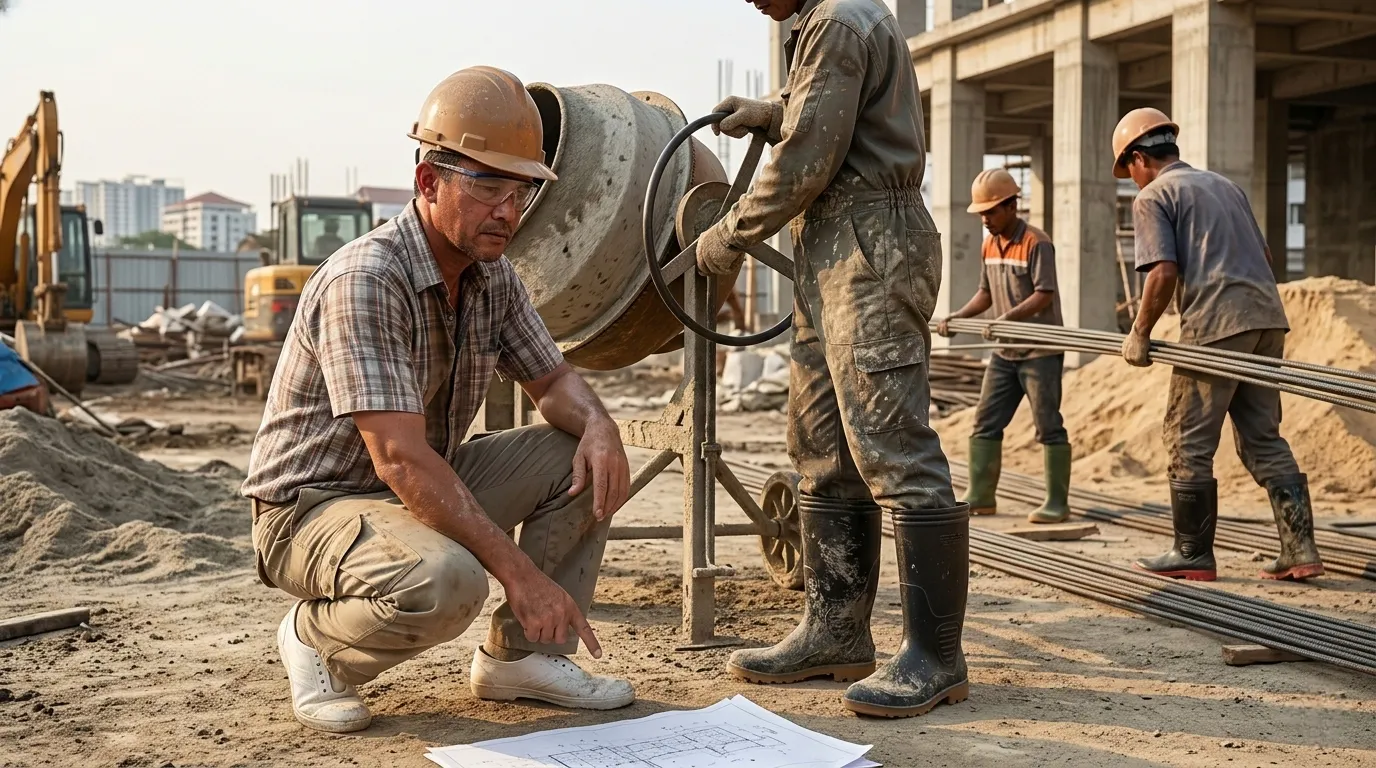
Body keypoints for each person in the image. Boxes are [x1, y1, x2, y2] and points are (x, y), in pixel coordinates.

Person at [241, 66, 635, 733]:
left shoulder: (492, 275)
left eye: (519, 191)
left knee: (581, 452)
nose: (507, 212)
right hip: (312, 509)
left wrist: (598, 423)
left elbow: (555, 383)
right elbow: (399, 458)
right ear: (429, 182)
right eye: (488, 189)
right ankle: (317, 641)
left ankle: (522, 658)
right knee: (451, 581)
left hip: (412, 488)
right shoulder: (368, 279)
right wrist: (522, 575)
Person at [697, 0, 968, 718]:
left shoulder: (841, 19)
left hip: (873, 240)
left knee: (892, 446)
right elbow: (816, 103)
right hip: (830, 245)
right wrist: (769, 107)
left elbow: (808, 158)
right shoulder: (823, 25)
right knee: (821, 445)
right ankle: (835, 632)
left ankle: (934, 657)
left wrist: (731, 233)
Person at [1114, 107, 1323, 583]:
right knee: (1263, 438)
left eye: (1127, 171)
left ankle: (1192, 553)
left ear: (1138, 158)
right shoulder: (1226, 187)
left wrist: (1140, 332)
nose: (1131, 181)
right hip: (1268, 319)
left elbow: (1163, 272)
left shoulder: (1154, 196)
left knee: (1186, 438)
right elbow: (1265, 257)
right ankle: (1300, 549)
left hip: (1217, 323)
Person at [935, 169, 1070, 524]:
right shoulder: (988, 244)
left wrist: (1005, 319)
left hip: (1039, 350)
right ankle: (981, 495)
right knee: (985, 422)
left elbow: (1044, 294)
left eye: (991, 211)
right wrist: (958, 317)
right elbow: (985, 293)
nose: (985, 219)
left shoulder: (1037, 243)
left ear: (1012, 206)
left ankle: (1057, 503)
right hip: (1005, 351)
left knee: (1048, 425)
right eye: (981, 213)